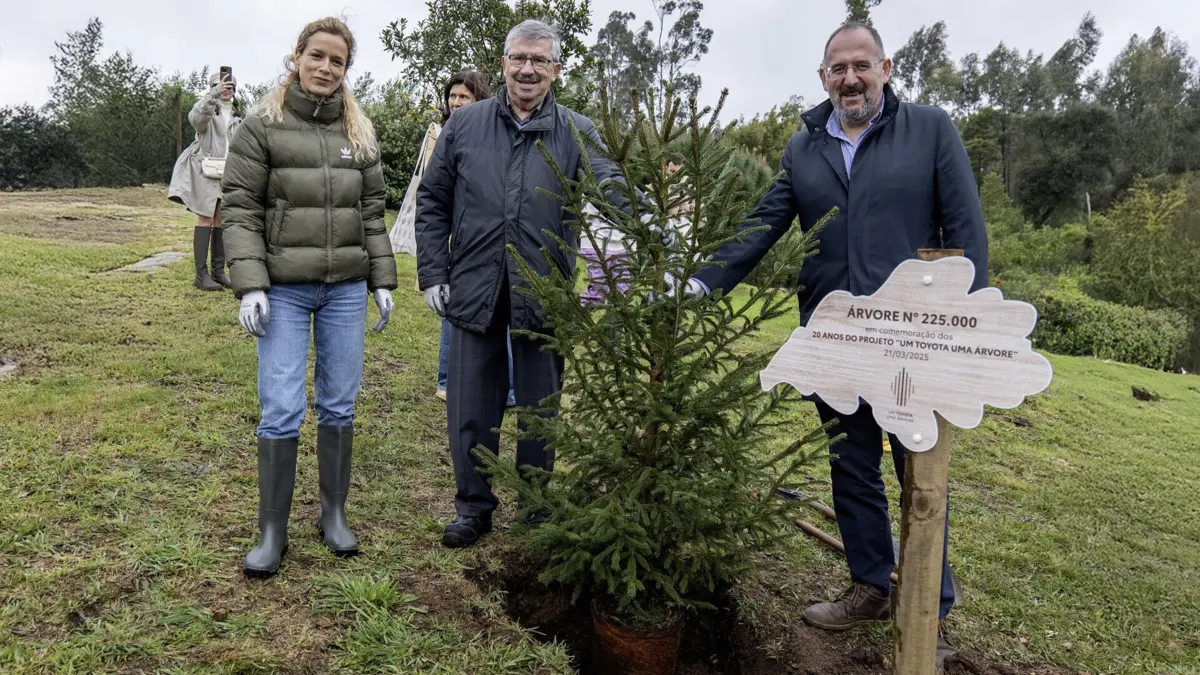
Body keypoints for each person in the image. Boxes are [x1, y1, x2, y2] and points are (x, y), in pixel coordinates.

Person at [672, 22, 987, 666]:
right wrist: (703, 281)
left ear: (886, 68)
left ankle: (929, 608)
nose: (850, 78)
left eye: (861, 66)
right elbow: (764, 223)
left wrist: (968, 325)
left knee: (919, 470)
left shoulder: (930, 130)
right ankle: (871, 584)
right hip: (835, 334)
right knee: (850, 462)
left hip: (913, 340)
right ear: (823, 77)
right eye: (837, 69)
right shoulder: (805, 145)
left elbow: (966, 230)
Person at [416, 19, 628, 549]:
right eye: (519, 58)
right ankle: (473, 507)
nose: (528, 69)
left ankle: (536, 508)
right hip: (473, 285)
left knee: (540, 408)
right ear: (504, 63)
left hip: (544, 287)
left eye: (540, 60)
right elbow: (433, 201)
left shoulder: (577, 131)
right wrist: (433, 273)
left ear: (556, 69)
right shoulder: (465, 126)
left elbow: (612, 189)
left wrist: (652, 222)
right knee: (470, 407)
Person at [220, 16, 397, 578]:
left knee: (340, 404)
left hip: (344, 289)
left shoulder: (359, 135)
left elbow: (371, 215)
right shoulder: (262, 126)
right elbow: (241, 207)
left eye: (337, 61)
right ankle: (272, 532)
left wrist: (382, 280)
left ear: (347, 70)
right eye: (317, 56)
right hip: (285, 293)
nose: (325, 68)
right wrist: (250, 283)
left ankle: (333, 514)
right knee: (281, 408)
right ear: (296, 57)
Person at [426, 71, 517, 407]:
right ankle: (447, 380)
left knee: (503, 314)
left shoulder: (492, 134)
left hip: (491, 240)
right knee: (454, 312)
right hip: (457, 239)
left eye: (463, 97)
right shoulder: (443, 133)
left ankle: (507, 387)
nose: (456, 102)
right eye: (452, 96)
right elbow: (433, 191)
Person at [168, 70, 243, 291]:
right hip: (205, 170)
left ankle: (218, 272)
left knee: (221, 219)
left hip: (227, 172)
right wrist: (213, 94)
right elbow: (196, 118)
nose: (226, 89)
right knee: (205, 219)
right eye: (220, 85)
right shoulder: (208, 113)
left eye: (229, 86)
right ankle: (201, 275)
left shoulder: (238, 117)